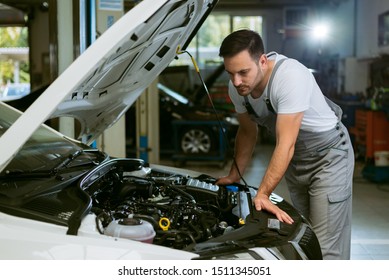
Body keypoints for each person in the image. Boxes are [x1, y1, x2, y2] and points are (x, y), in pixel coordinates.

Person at [216, 29, 354, 260]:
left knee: (327, 246)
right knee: (304, 236)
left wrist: (263, 194)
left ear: (262, 60)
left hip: (329, 156)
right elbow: (248, 131)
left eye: (243, 72)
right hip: (297, 160)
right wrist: (233, 175)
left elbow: (285, 144)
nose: (236, 81)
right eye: (230, 73)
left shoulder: (289, 76)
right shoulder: (238, 87)